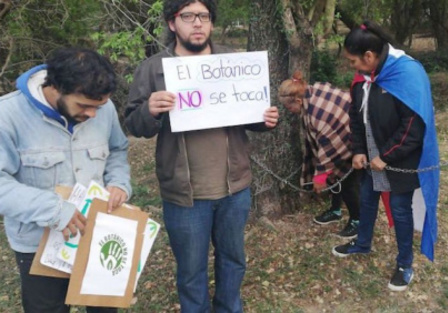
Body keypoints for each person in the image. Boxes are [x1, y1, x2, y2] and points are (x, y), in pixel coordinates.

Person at [124, 0, 279, 312]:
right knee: (191, 270)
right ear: (172, 23)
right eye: (188, 16)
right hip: (185, 194)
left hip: (235, 187)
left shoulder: (232, 62)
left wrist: (265, 119)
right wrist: (149, 110)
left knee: (233, 260)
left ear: (211, 22)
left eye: (204, 16)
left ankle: (228, 307)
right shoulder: (153, 68)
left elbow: (250, 114)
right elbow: (134, 124)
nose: (197, 23)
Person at [0, 47, 131, 313]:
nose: (94, 114)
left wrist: (118, 182)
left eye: (99, 106)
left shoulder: (102, 109)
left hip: (99, 236)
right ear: (56, 87)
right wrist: (54, 209)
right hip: (37, 244)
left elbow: (117, 149)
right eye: (84, 106)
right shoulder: (8, 116)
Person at [331, 21, 440, 292]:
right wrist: (358, 149)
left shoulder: (407, 73)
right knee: (367, 199)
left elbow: (413, 127)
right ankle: (363, 243)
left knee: (401, 211)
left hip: (401, 160)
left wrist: (386, 157)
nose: (351, 66)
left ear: (369, 56)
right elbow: (357, 118)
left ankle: (405, 264)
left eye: (353, 60)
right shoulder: (363, 80)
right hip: (371, 157)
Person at [278, 71, 361, 238]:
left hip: (354, 137)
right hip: (341, 135)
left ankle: (357, 221)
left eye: (289, 107)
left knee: (348, 183)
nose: (290, 111)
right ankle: (336, 210)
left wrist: (320, 176)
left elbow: (330, 145)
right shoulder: (312, 90)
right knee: (336, 177)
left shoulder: (318, 114)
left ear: (298, 100)